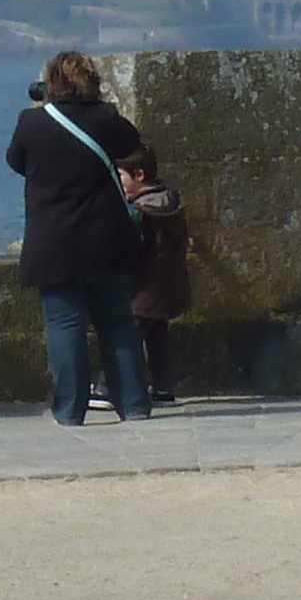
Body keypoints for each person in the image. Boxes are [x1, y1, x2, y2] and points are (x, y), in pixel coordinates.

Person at [6, 50, 149, 425]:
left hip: (53, 242)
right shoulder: (105, 118)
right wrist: (100, 107)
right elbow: (132, 144)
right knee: (117, 322)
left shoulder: (31, 122)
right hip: (106, 238)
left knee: (65, 325)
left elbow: (15, 161)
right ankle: (133, 403)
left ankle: (70, 410)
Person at [122, 146, 191, 406]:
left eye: (122, 177)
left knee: (128, 335)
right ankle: (163, 387)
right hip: (168, 285)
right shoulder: (171, 202)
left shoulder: (141, 212)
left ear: (139, 175)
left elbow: (131, 249)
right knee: (157, 337)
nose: (120, 183)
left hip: (143, 289)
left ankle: (108, 386)